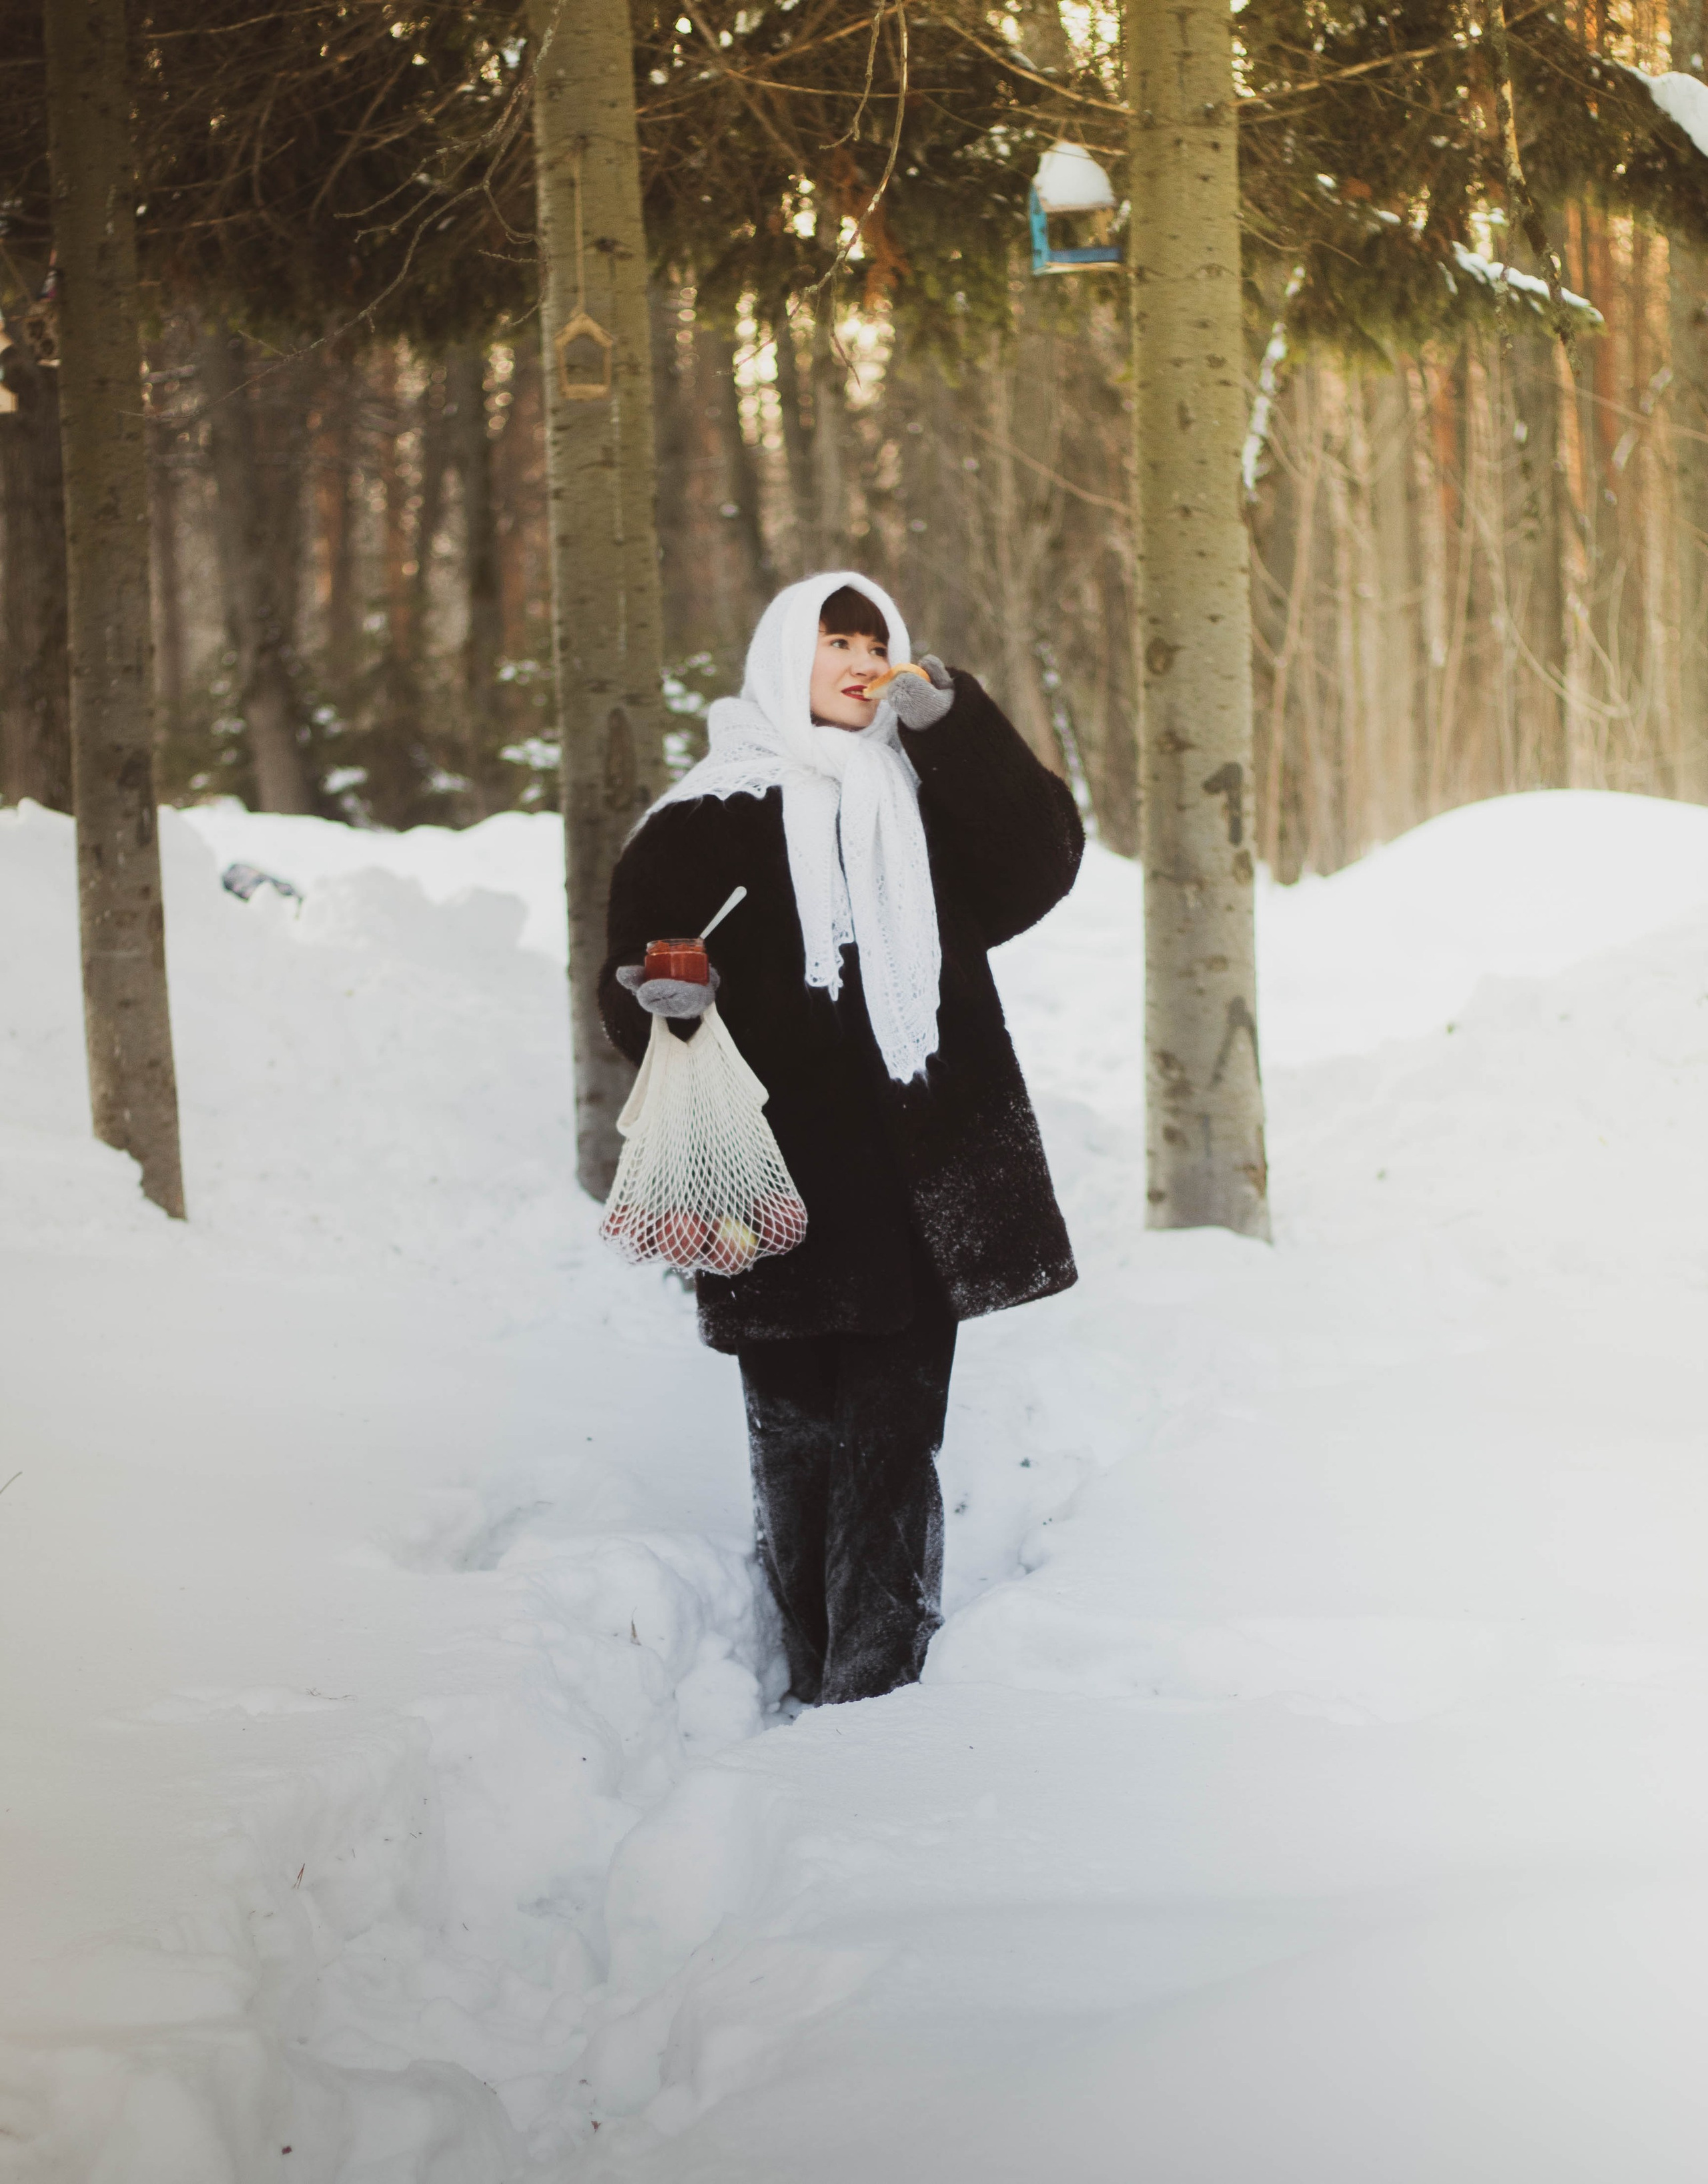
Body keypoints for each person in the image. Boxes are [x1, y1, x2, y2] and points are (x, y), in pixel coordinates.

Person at [599, 571, 1082, 1706]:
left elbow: (1041, 859)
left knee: (895, 1437)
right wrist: (663, 1003)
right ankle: (810, 1656)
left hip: (921, 1169)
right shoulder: (697, 820)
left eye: (877, 640)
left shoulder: (918, 802)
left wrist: (955, 727)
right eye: (837, 641)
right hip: (772, 1182)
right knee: (796, 1438)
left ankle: (874, 1684)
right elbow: (634, 986)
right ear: (785, 659)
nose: (863, 660)